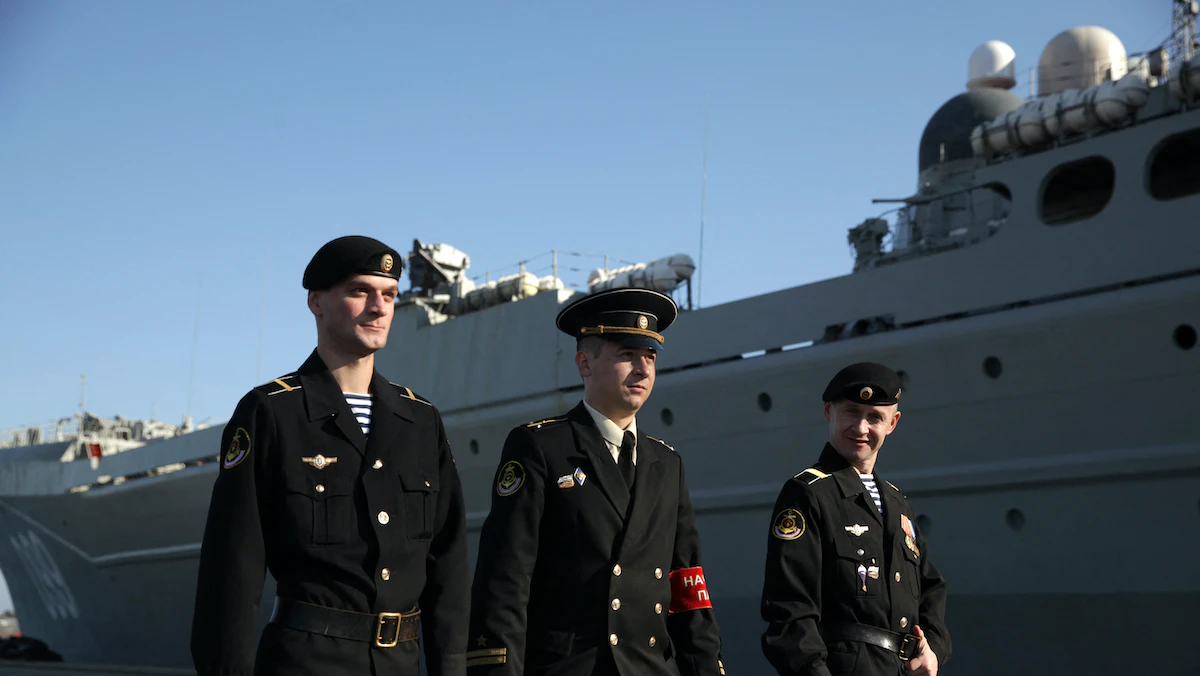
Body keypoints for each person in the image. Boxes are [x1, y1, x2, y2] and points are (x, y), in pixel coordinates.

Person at [190, 235, 470, 676]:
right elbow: (232, 572)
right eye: (360, 291)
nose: (378, 308)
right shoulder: (272, 413)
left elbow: (448, 565)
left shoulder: (420, 420)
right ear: (316, 302)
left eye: (389, 295)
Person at [465, 288, 727, 676]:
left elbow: (686, 582)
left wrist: (705, 667)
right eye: (627, 354)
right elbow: (505, 578)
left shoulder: (667, 463)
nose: (643, 369)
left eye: (650, 356)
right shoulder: (541, 447)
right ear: (585, 363)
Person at [759, 362, 950, 676]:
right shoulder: (808, 494)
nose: (861, 428)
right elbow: (790, 612)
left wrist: (934, 650)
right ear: (828, 411)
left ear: (892, 423)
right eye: (851, 412)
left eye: (875, 417)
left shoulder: (897, 503)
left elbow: (931, 589)